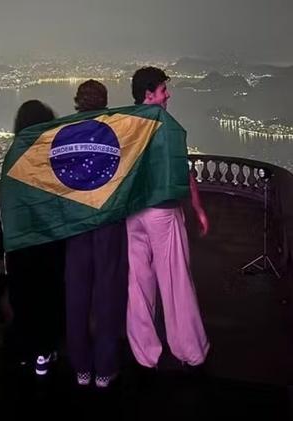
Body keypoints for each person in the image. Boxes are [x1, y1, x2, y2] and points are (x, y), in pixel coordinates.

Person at [126, 66, 210, 369]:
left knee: (137, 283)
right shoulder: (167, 126)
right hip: (162, 211)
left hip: (132, 214)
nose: (168, 94)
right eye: (163, 90)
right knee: (175, 280)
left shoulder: (125, 124)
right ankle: (189, 350)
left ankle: (145, 353)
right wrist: (198, 208)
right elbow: (181, 170)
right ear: (149, 94)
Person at [63, 80, 128, 388]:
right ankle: (104, 368)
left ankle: (81, 368)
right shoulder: (115, 131)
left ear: (77, 102)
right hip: (107, 220)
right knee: (108, 292)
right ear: (104, 102)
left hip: (76, 223)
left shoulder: (61, 134)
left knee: (76, 294)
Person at [1, 100, 65, 377]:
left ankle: (23, 353)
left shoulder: (13, 153)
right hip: (47, 242)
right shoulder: (47, 155)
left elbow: (7, 198)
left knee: (23, 298)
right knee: (48, 297)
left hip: (18, 243)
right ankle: (43, 353)